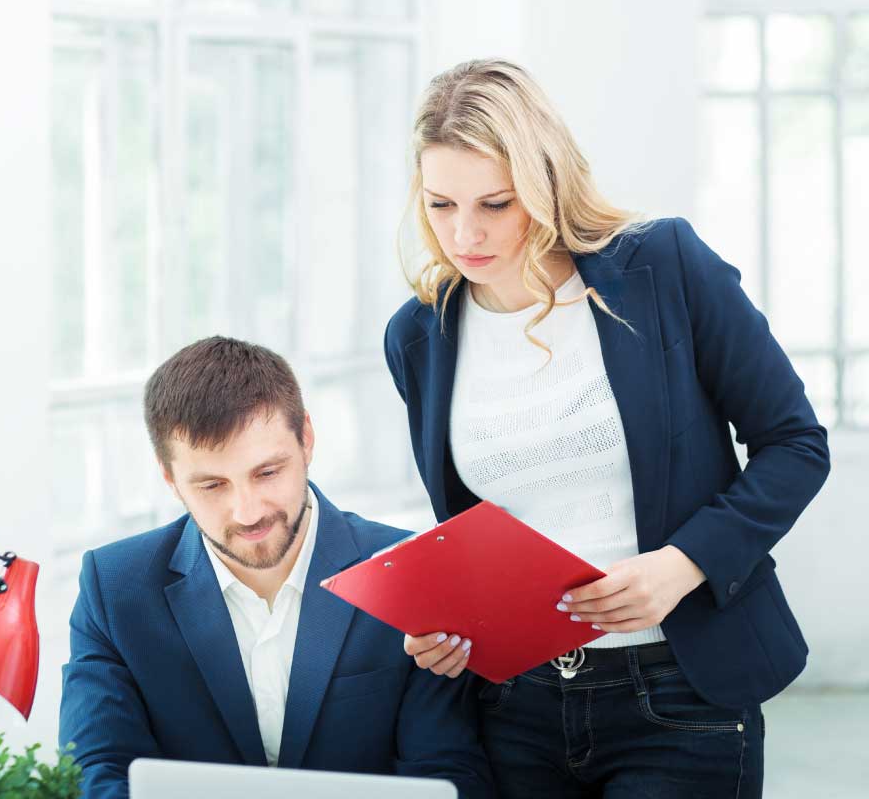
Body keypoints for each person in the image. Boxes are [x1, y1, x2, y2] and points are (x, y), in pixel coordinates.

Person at [384, 59, 830, 798]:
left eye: (496, 202)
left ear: (546, 181)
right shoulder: (420, 337)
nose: (465, 233)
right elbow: (473, 532)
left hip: (681, 694)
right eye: (440, 204)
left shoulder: (662, 267)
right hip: (516, 708)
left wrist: (683, 563)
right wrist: (446, 626)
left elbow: (795, 443)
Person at [59, 336, 495, 798]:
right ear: (170, 478)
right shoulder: (114, 588)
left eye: (267, 473)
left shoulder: (410, 570)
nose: (247, 512)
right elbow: (97, 769)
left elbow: (447, 773)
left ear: (306, 439)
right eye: (212, 485)